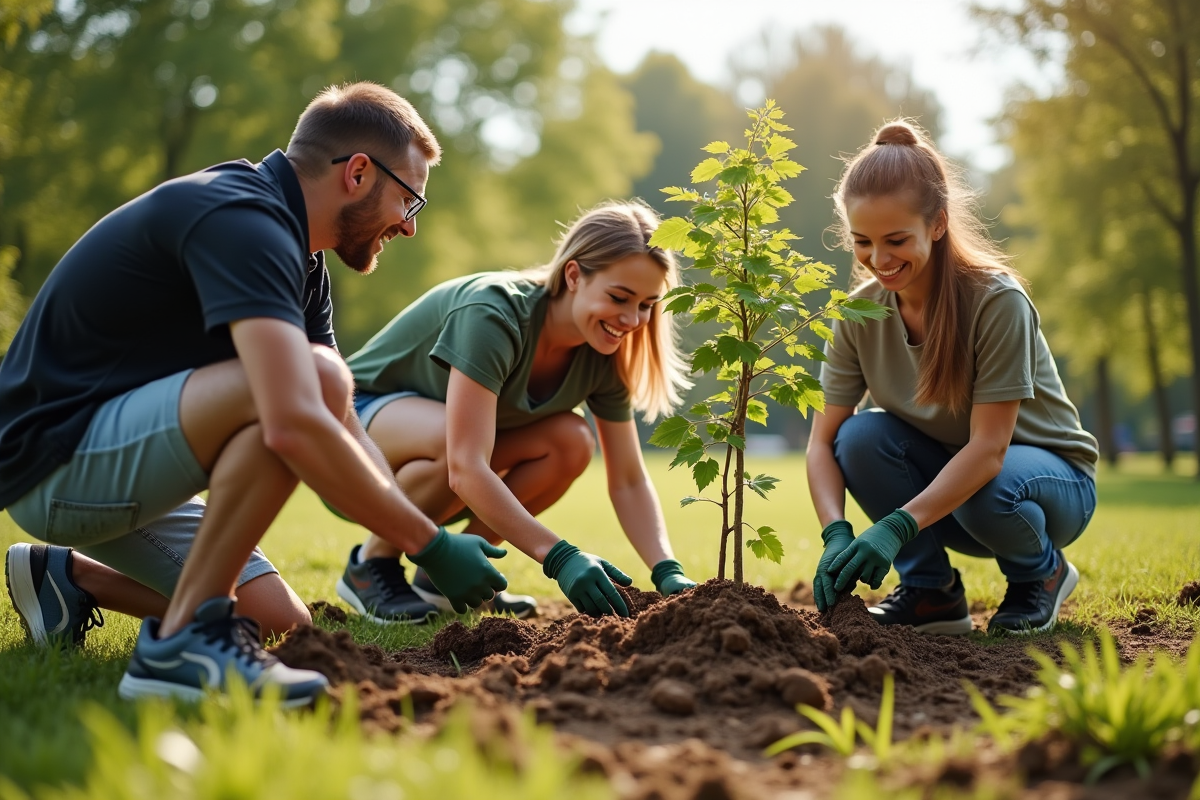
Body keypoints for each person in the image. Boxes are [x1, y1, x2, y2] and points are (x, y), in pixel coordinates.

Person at [0, 82, 508, 705]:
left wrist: (412, 525)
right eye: (410, 201)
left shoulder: (302, 256)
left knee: (284, 625)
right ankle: (182, 644)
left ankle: (68, 581)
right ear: (356, 173)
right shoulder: (242, 219)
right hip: (52, 461)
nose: (407, 226)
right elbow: (297, 417)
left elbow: (341, 418)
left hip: (124, 464)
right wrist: (428, 544)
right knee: (304, 383)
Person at [331, 201, 699, 622]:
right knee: (450, 440)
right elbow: (465, 465)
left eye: (647, 304)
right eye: (620, 297)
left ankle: (446, 581)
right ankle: (372, 566)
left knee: (571, 441)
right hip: (349, 435)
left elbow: (629, 479)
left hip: (434, 459)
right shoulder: (494, 312)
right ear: (574, 275)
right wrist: (560, 558)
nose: (632, 319)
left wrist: (667, 569)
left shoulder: (603, 351)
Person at [807, 120, 1098, 636]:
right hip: (959, 498)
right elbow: (822, 444)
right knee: (859, 437)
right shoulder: (858, 316)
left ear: (937, 224)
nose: (879, 260)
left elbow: (988, 451)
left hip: (1047, 488)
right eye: (863, 242)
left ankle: (1041, 574)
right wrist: (834, 531)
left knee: (988, 487)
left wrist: (896, 525)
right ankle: (931, 593)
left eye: (897, 240)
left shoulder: (995, 301)